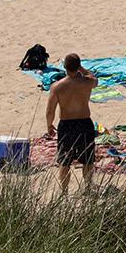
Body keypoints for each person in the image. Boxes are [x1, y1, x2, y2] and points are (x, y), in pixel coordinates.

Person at [45, 55, 100, 193]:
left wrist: (49, 125)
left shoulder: (57, 87)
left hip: (66, 125)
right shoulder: (87, 82)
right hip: (84, 123)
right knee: (87, 159)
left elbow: (50, 110)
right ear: (78, 66)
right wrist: (82, 68)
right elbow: (95, 79)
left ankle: (64, 191)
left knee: (65, 161)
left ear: (64, 67)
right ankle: (87, 187)